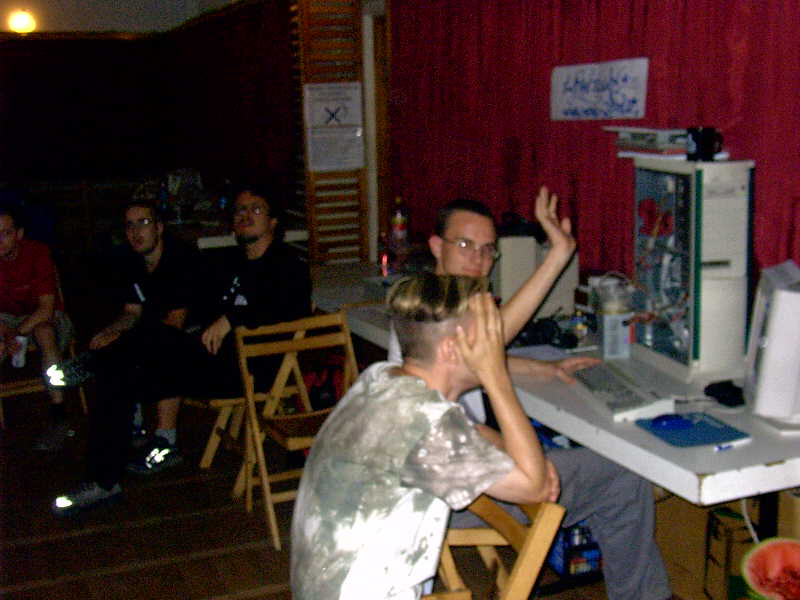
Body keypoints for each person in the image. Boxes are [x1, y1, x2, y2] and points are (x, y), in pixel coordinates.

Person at [387, 189, 673, 600]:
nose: (478, 259)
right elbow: (485, 350)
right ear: (436, 246)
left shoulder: (419, 317)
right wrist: (559, 254)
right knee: (623, 475)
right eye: (465, 245)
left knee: (575, 462)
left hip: (439, 482)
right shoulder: (440, 318)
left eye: (488, 250)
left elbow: (469, 364)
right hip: (449, 503)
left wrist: (538, 369)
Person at [291, 273, 560, 599]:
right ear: (451, 350)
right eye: (485, 337)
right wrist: (496, 375)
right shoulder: (430, 424)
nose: (494, 344)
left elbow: (470, 432)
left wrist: (518, 457)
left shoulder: (381, 378)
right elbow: (535, 488)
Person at [50, 183, 312, 515]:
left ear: (273, 221)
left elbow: (285, 310)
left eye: (255, 209)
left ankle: (93, 363)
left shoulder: (287, 264)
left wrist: (232, 318)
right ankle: (103, 482)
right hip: (209, 361)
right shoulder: (231, 261)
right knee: (117, 378)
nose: (245, 215)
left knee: (143, 347)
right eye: (239, 210)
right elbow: (197, 305)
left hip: (249, 369)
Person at [88, 200, 199, 473]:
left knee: (163, 348)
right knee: (113, 345)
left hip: (198, 338)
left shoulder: (180, 259)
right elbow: (132, 311)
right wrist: (111, 331)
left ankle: (166, 440)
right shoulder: (132, 261)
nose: (136, 232)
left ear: (159, 227)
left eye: (144, 223)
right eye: (130, 225)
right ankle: (133, 426)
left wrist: (130, 336)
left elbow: (176, 322)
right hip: (156, 333)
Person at [0, 205, 74, 450]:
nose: (0, 240)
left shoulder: (38, 252)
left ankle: (59, 412)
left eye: (6, 233)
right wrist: (7, 333)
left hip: (45, 316)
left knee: (45, 332)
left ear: (18, 234)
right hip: (8, 319)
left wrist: (17, 333)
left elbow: (46, 308)